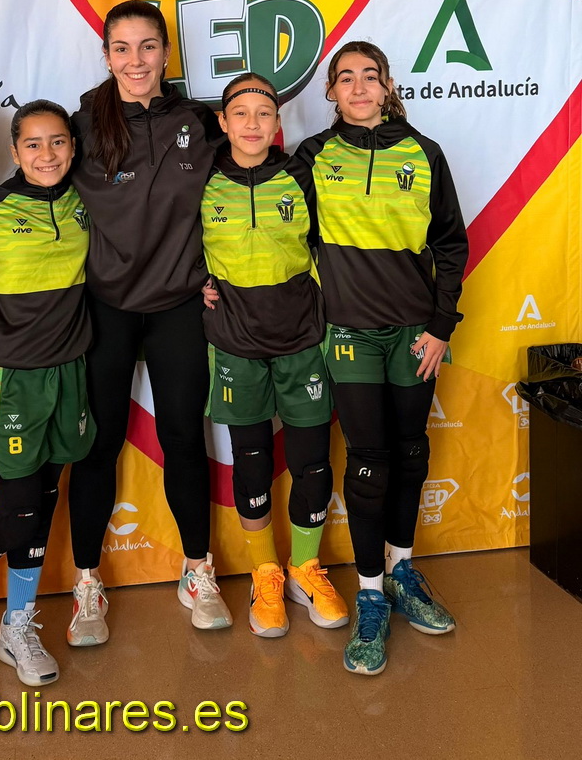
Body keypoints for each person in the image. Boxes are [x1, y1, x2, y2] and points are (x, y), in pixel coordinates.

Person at [295, 41, 468, 676]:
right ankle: (370, 594)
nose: (360, 87)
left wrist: (441, 326)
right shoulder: (312, 157)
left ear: (388, 85)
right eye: (346, 78)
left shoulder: (424, 152)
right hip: (349, 333)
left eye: (371, 76)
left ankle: (402, 572)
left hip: (415, 334)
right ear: (331, 92)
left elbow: (450, 243)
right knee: (368, 460)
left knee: (410, 450)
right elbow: (276, 230)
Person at [66, 0, 232, 645]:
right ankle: (87, 583)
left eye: (147, 46)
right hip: (106, 306)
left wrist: (223, 272)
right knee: (99, 444)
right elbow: (43, 194)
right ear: (107, 55)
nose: (135, 60)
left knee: (184, 438)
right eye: (122, 48)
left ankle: (198, 572)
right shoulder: (83, 123)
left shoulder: (199, 121)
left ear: (166, 52)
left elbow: (236, 194)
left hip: (179, 304)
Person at [0, 99, 95, 686]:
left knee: (46, 500)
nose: (46, 154)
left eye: (57, 141)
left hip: (69, 371)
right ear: (14, 151)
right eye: (32, 144)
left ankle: (17, 624)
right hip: (8, 378)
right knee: (19, 514)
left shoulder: (85, 201)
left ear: (73, 147)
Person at [201, 72, 349, 639]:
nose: (252, 124)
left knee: (312, 460)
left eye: (264, 113)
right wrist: (195, 283)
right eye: (240, 113)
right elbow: (170, 242)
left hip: (302, 340)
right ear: (223, 122)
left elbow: (332, 243)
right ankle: (264, 573)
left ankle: (305, 569)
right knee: (252, 461)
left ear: (278, 122)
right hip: (235, 345)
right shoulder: (202, 180)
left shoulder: (301, 175)